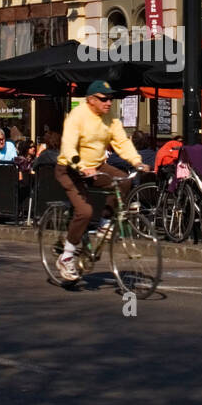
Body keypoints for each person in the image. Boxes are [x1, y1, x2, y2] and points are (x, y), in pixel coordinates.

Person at [54, 81, 151, 281]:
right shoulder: (77, 116)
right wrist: (81, 166)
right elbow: (69, 146)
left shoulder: (110, 118)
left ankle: (105, 223)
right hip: (70, 169)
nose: (109, 102)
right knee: (85, 211)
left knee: (124, 180)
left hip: (97, 167)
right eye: (104, 98)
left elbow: (121, 142)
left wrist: (137, 162)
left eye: (111, 98)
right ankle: (66, 257)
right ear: (91, 100)